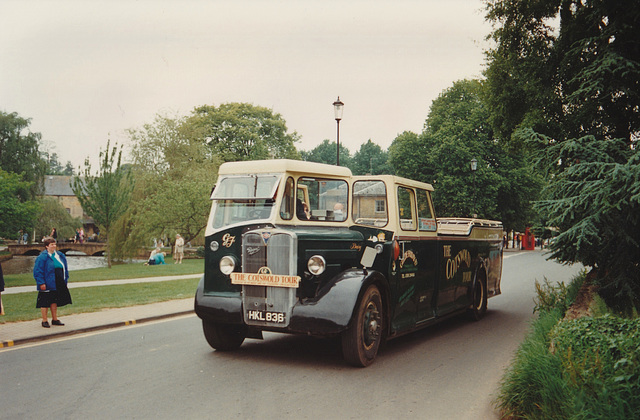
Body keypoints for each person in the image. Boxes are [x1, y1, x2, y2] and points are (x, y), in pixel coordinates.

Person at [33, 237, 72, 328]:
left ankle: (55, 319)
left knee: (54, 301)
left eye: (55, 244)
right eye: (52, 244)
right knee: (45, 301)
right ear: (47, 246)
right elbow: (38, 271)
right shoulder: (42, 257)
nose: (54, 246)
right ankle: (44, 320)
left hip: (58, 282)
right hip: (47, 282)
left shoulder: (60, 255)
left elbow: (65, 268)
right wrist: (41, 282)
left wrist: (65, 279)